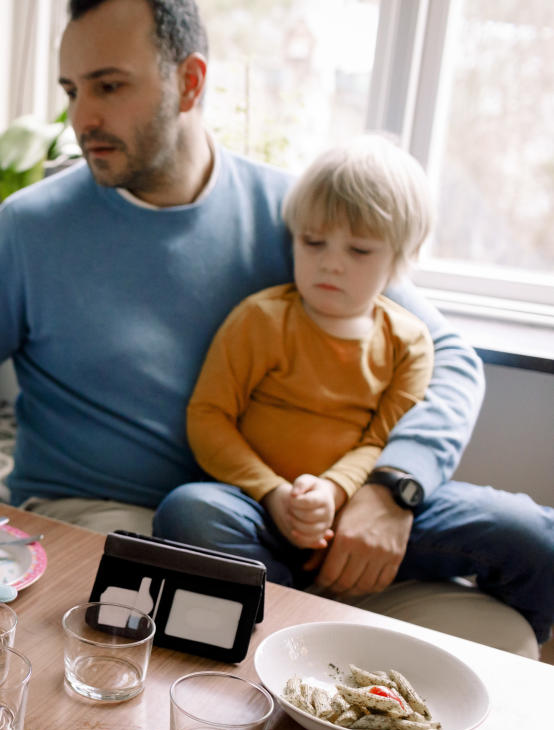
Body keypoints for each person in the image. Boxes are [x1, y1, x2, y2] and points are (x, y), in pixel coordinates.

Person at [0, 0, 554, 646]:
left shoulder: (293, 220)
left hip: (286, 522)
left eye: (109, 86)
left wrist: (391, 490)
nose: (82, 117)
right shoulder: (30, 226)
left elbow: (446, 352)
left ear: (191, 79)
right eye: (72, 89)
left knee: (511, 606)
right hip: (105, 518)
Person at [186, 135, 435, 581]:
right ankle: (285, 597)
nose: (330, 264)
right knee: (190, 510)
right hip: (257, 508)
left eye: (358, 250)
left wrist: (335, 491)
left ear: (400, 258)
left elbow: (382, 441)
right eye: (313, 242)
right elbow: (208, 417)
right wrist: (273, 492)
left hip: (362, 508)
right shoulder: (260, 319)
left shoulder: (409, 343)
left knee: (520, 531)